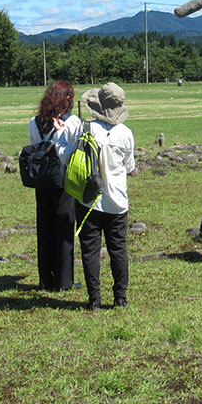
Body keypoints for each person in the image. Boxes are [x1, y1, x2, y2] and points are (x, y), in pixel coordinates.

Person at [57, 83, 135, 310]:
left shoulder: (86, 129)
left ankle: (95, 300)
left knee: (90, 250)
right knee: (118, 250)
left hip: (88, 199)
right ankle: (120, 297)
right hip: (118, 201)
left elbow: (65, 156)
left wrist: (60, 141)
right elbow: (129, 166)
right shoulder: (126, 134)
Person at [28, 81, 81, 291]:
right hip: (63, 180)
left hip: (41, 180)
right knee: (65, 229)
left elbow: (33, 146)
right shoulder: (72, 121)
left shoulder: (35, 121)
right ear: (66, 98)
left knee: (45, 229)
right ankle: (64, 280)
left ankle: (45, 280)